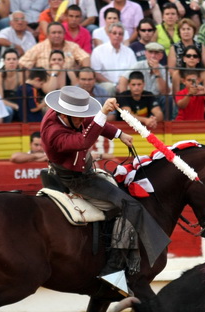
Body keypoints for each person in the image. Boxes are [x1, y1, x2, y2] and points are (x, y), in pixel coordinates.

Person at [40, 85, 170, 296]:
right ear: (65, 113)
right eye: (78, 117)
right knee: (128, 206)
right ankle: (113, 269)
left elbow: (90, 122)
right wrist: (104, 113)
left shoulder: (69, 116)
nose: (83, 119)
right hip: (75, 179)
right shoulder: (53, 132)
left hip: (83, 168)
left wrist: (119, 134)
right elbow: (83, 140)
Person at [91, 22, 138, 96]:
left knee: (134, 88)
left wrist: (122, 84)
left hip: (126, 84)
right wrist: (114, 85)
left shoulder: (129, 52)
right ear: (109, 34)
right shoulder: (98, 51)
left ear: (123, 36)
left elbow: (134, 71)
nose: (117, 36)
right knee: (109, 87)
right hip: (105, 84)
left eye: (120, 34)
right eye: (114, 33)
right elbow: (96, 74)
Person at [19, 22, 90, 70]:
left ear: (64, 34)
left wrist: (84, 72)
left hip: (68, 85)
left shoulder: (73, 46)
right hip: (44, 84)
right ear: (48, 34)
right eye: (54, 33)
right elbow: (23, 64)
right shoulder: (38, 48)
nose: (57, 35)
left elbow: (85, 58)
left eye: (59, 33)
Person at [117, 42, 170, 107]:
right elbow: (123, 78)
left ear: (161, 56)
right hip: (140, 98)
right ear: (146, 54)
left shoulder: (163, 70)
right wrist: (125, 98)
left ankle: (166, 117)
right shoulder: (138, 65)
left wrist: (157, 73)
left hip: (155, 99)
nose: (153, 56)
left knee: (167, 99)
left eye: (156, 53)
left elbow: (165, 92)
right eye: (150, 52)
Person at [0, 48, 24, 122]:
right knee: (8, 111)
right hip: (3, 105)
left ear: (17, 61)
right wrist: (15, 106)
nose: (11, 62)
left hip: (18, 104)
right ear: (4, 61)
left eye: (14, 59)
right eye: (9, 59)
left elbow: (24, 95)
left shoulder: (21, 75)